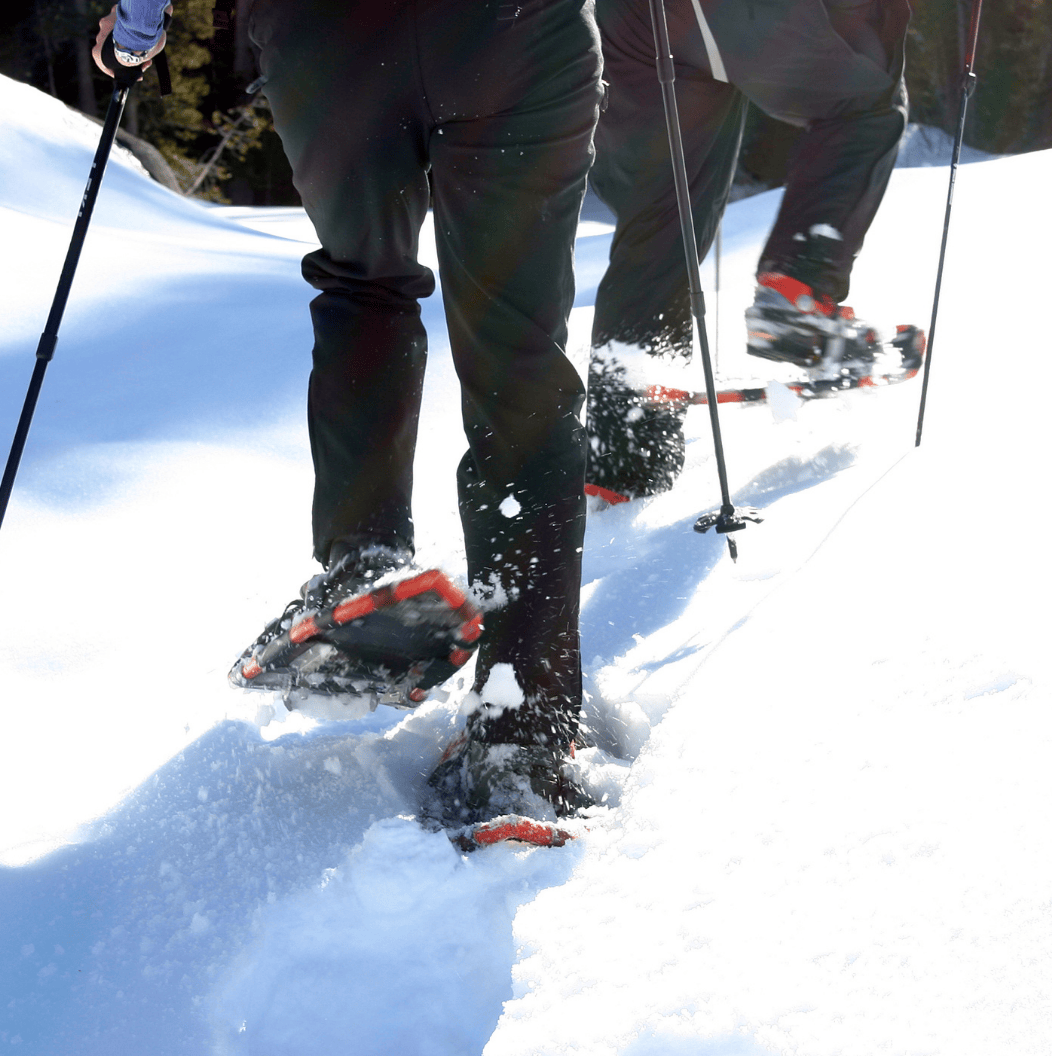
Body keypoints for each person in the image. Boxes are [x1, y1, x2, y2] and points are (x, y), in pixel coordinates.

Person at [94, 1, 604, 823]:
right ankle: (526, 724)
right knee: (518, 354)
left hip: (331, 39)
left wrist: (138, 27)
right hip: (514, 35)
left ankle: (363, 557)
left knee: (365, 285)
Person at [584, 0, 911, 502]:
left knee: (666, 210)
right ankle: (797, 301)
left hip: (628, 20)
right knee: (864, 103)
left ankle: (626, 446)